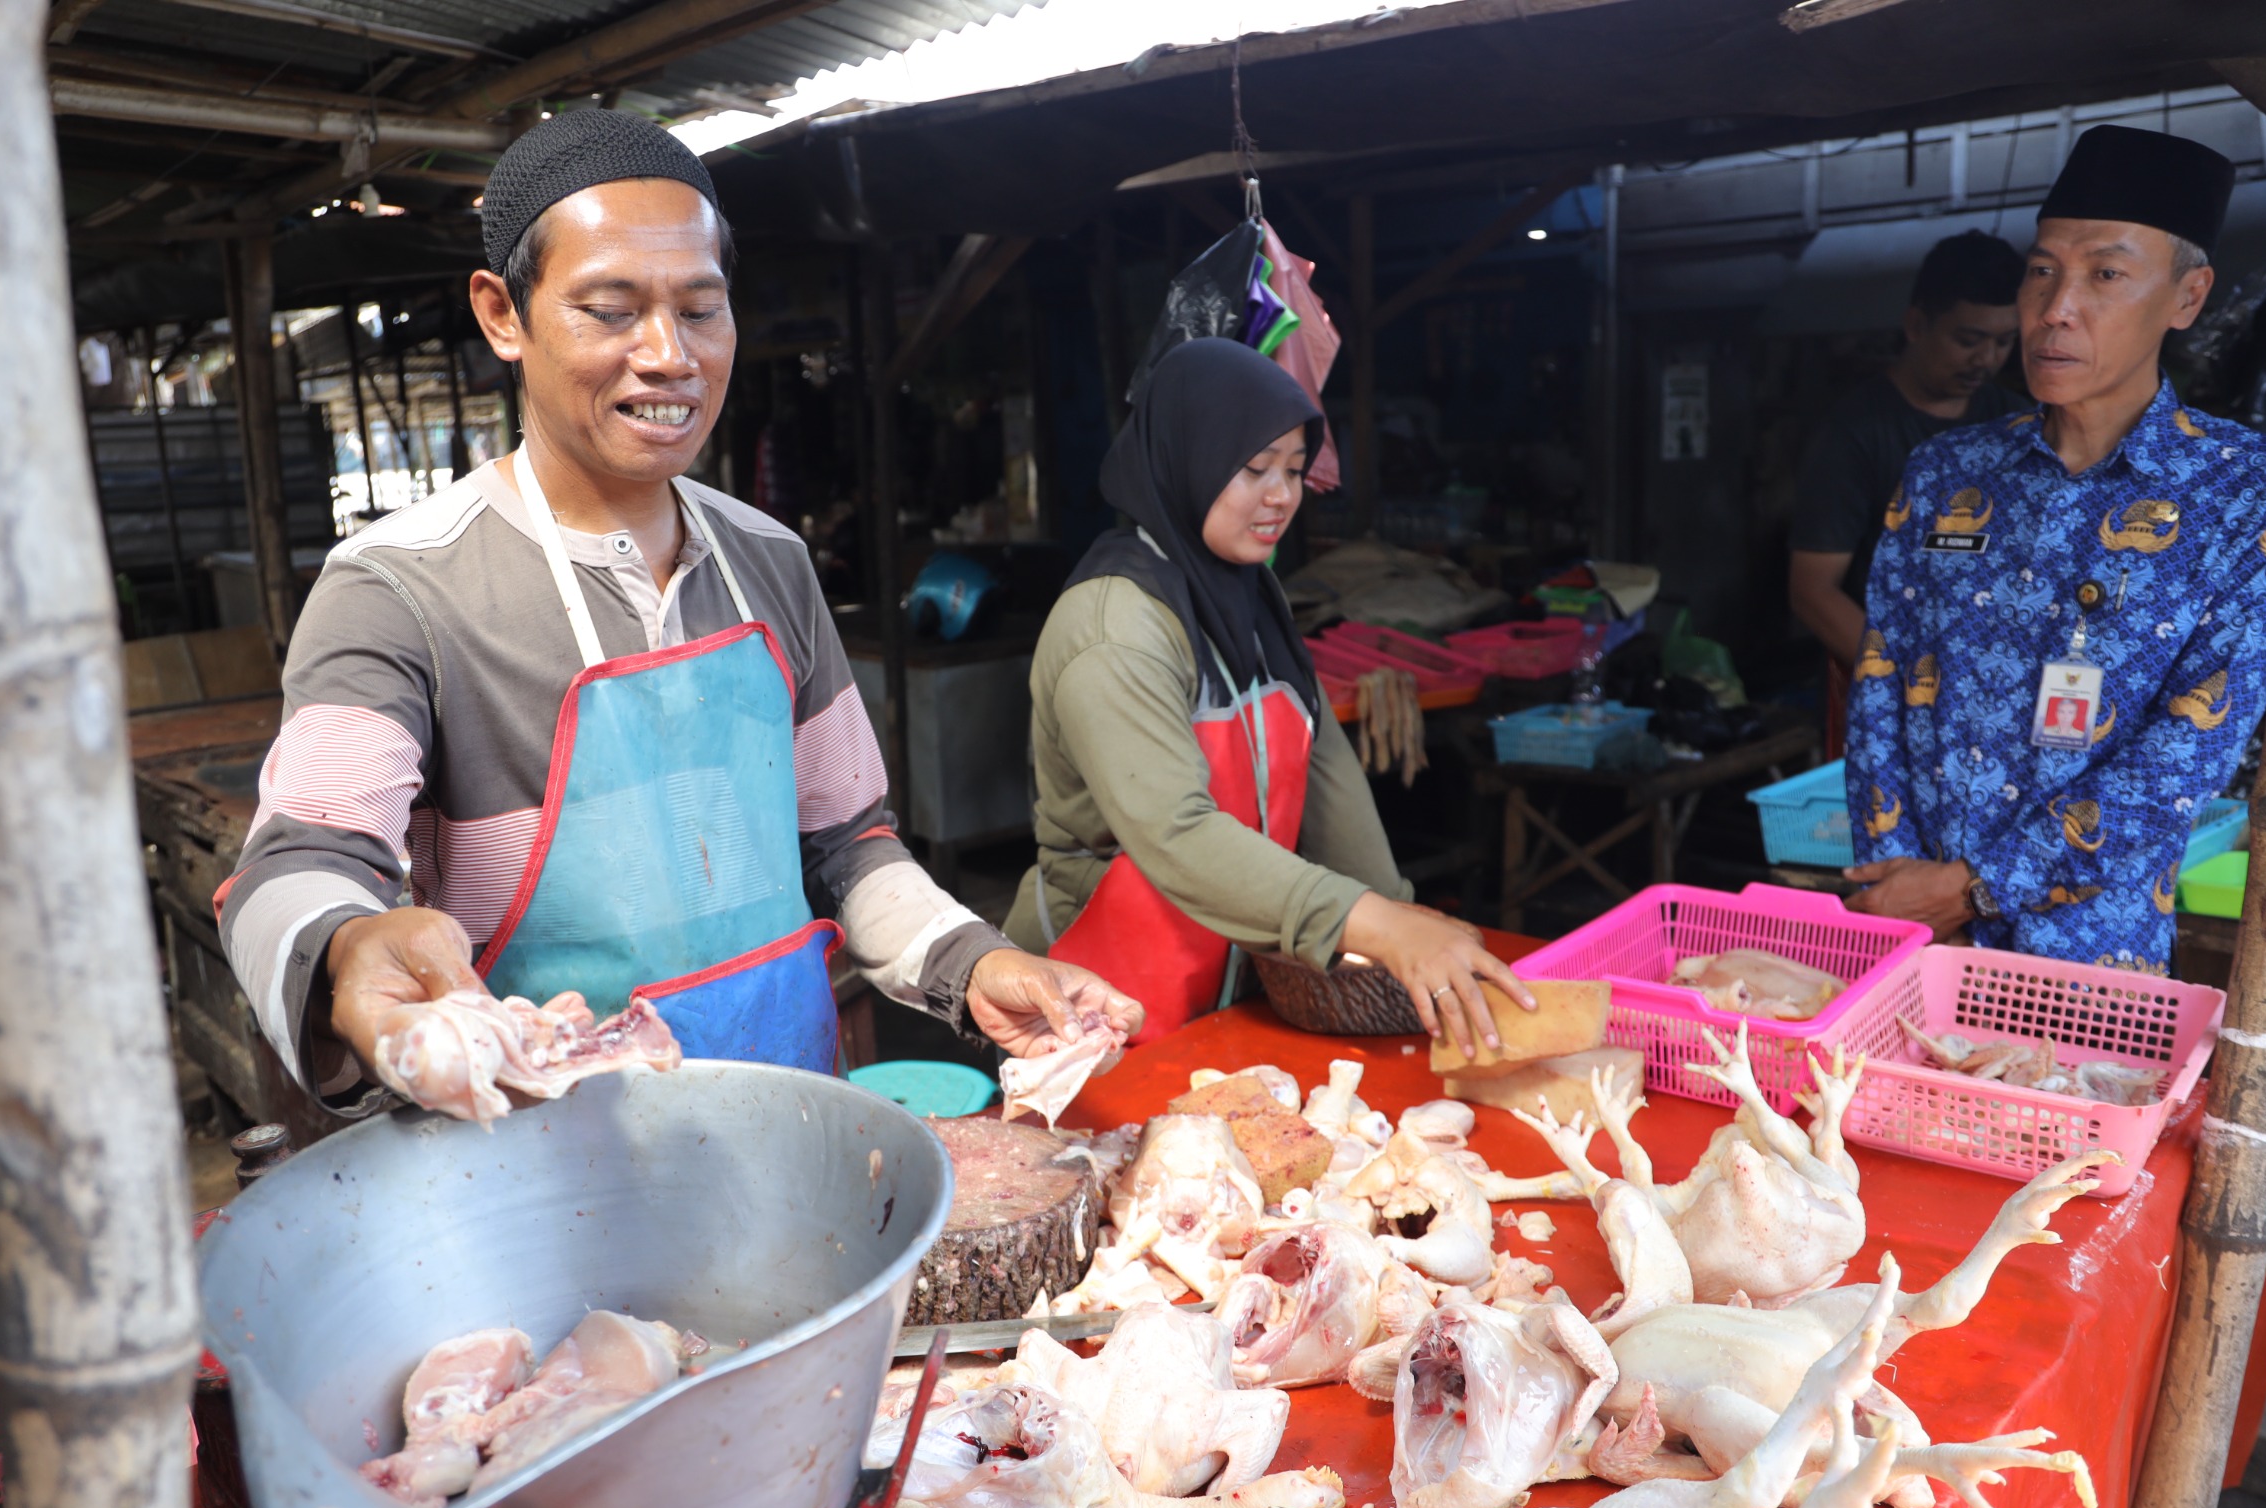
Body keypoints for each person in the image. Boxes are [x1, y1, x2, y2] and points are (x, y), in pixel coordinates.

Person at [220, 109, 1140, 1108]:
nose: (668, 355)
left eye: (701, 309)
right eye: (609, 309)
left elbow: (846, 843)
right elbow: (298, 865)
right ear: (501, 314)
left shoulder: (771, 562)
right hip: (547, 1170)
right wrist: (349, 941)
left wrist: (967, 958)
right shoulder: (399, 588)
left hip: (793, 1122)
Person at [1845, 126, 2266, 973]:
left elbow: (2184, 757)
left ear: (2187, 297)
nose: (2056, 308)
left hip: (2091, 954)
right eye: (2043, 270)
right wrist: (1900, 882)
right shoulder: (1947, 472)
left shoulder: (2254, 493)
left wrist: (1976, 886)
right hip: (1911, 937)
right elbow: (1881, 680)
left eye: (2106, 275)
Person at [1004, 337, 1530, 1047]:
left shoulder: (1251, 599)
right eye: (1253, 469)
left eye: (1292, 470)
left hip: (1227, 1001)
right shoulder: (1115, 628)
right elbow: (1176, 833)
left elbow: (1324, 768)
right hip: (1088, 1009)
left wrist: (1404, 925)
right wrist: (1372, 922)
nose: (1281, 496)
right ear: (1186, 461)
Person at [1788, 230, 2025, 753]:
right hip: (1884, 692)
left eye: (2004, 341)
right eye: (1968, 339)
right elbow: (1812, 590)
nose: (1985, 358)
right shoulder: (1854, 432)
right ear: (1917, 324)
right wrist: (1910, 684)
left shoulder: (2017, 423)